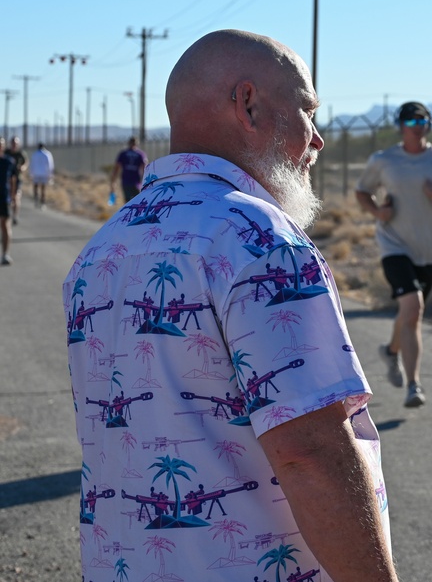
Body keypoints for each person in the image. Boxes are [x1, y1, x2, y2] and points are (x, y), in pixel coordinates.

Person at [64, 29, 397, 582]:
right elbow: (309, 453)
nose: (316, 140)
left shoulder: (102, 248)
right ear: (248, 104)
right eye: (307, 111)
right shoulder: (261, 240)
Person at [355, 101, 432, 408]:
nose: (416, 128)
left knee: (409, 313)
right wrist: (378, 212)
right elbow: (361, 191)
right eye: (410, 122)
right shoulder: (384, 160)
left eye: (422, 122)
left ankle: (391, 352)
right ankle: (414, 385)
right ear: (400, 125)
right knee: (413, 308)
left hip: (429, 251)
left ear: (429, 126)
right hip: (393, 245)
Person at [110, 135, 149, 202]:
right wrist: (146, 180)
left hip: (127, 180)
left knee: (128, 201)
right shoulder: (140, 154)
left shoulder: (123, 153)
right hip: (136, 181)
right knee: (138, 201)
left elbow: (117, 167)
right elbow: (145, 167)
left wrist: (113, 179)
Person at [0, 137, 15, 264]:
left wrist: (13, 197)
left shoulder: (8, 161)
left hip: (4, 198)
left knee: (5, 225)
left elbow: (12, 180)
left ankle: (5, 254)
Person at [5, 135, 25, 224]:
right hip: (7, 179)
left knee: (16, 197)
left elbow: (26, 162)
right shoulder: (6, 153)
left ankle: (15, 216)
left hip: (17, 178)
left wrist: (23, 167)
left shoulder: (20, 153)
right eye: (13, 143)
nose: (14, 145)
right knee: (8, 197)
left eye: (16, 144)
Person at [29, 142, 55, 207]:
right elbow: (50, 165)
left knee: (36, 187)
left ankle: (36, 200)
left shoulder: (35, 154)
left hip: (36, 173)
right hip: (44, 173)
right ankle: (42, 202)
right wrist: (50, 174)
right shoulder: (47, 154)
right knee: (43, 188)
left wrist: (31, 173)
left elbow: (32, 164)